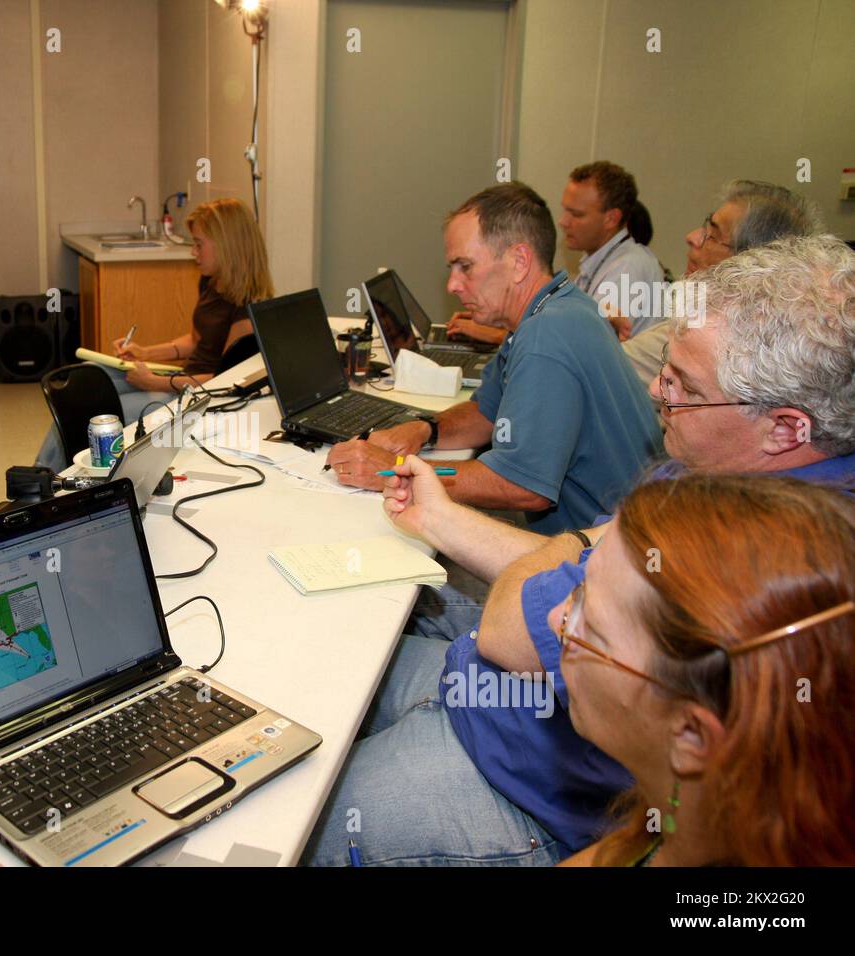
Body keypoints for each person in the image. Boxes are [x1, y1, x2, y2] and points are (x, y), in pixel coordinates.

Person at [304, 234, 855, 866]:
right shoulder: (716, 457)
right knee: (329, 668)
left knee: (309, 818)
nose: (656, 392)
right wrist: (444, 517)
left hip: (532, 780)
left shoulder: (772, 550)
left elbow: (512, 632)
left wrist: (578, 548)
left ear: (786, 427)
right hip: (499, 696)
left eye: (685, 385)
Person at [326, 182, 662, 535]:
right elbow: (488, 412)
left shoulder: (546, 336)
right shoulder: (555, 307)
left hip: (602, 560)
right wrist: (426, 428)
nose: (452, 285)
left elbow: (524, 486)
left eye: (465, 266)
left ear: (519, 262)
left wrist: (395, 468)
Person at [556, 475, 855, 866]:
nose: (553, 618)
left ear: (692, 735)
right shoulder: (680, 820)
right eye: (579, 590)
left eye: (587, 625)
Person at [35, 197, 274, 471]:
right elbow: (196, 341)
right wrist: (145, 353)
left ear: (228, 246)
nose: (193, 252)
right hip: (181, 378)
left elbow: (224, 380)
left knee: (94, 412)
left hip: (197, 396)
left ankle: (47, 479)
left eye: (199, 244)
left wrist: (154, 383)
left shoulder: (248, 308)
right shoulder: (212, 280)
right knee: (87, 377)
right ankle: (43, 474)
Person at [623, 180, 820, 384]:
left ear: (748, 261)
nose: (692, 237)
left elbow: (597, 372)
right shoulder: (786, 333)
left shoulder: (707, 335)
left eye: (713, 234)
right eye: (705, 226)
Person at [559, 161, 664, 338]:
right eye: (565, 211)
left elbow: (584, 341)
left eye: (576, 214)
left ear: (611, 219)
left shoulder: (628, 267)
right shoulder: (600, 259)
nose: (563, 221)